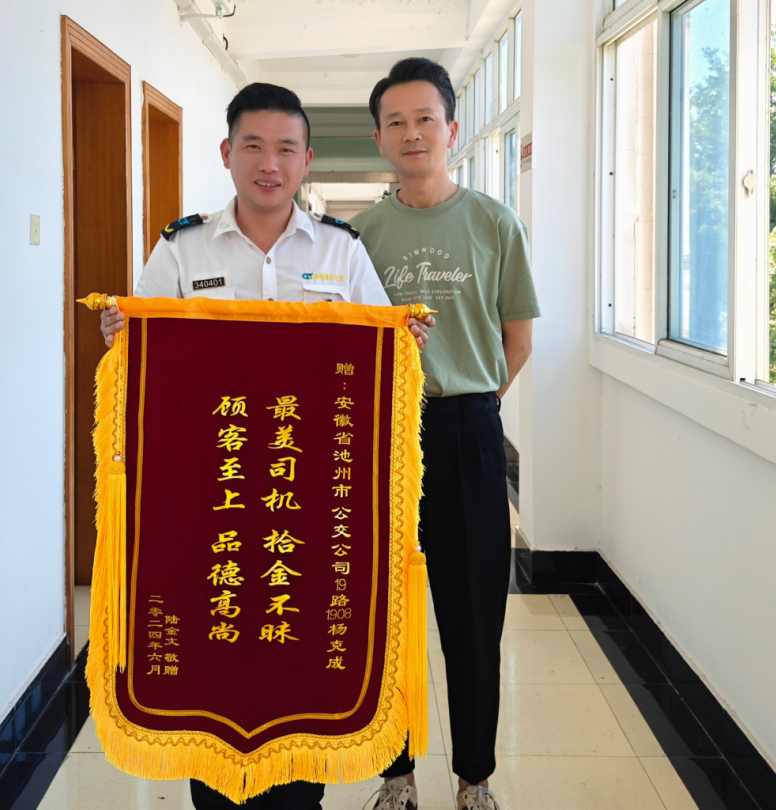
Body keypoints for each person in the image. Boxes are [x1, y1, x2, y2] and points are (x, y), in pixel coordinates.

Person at [99, 82, 434, 810]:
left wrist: (402, 342)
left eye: (286, 148)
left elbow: (387, 355)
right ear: (227, 153)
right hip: (210, 500)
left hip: (306, 503)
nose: (269, 163)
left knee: (300, 650)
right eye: (253, 145)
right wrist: (121, 335)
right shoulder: (182, 247)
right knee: (211, 646)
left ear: (307, 160)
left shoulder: (341, 250)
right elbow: (139, 349)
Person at [351, 58, 540, 810]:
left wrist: (470, 404)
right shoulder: (358, 236)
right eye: (395, 122)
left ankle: (474, 777)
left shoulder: (495, 223)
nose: (412, 133)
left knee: (473, 614)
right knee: (385, 611)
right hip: (382, 438)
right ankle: (395, 773)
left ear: (452, 129)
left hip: (468, 431)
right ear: (378, 139)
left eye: (425, 118)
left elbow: (517, 340)